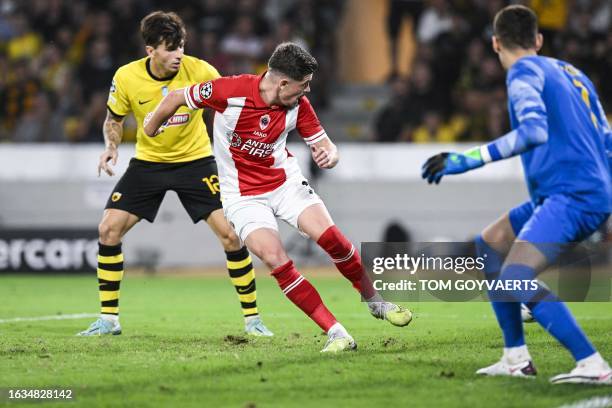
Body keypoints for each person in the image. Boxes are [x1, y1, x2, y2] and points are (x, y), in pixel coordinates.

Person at [144, 42, 413, 353]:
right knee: (275, 259)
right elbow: (178, 96)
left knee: (334, 240)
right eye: (304, 85)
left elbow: (326, 144)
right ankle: (337, 332)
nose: (307, 92)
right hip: (242, 197)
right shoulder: (229, 90)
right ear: (283, 82)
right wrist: (150, 128)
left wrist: (330, 155)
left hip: (285, 185)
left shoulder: (298, 105)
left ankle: (375, 302)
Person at [421, 5, 612, 384]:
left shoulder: (523, 72)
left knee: (515, 276)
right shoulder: (572, 73)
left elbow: (533, 132)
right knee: (490, 243)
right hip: (575, 193)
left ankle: (592, 364)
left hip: (571, 195)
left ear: (495, 43)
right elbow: (606, 138)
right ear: (538, 40)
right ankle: (516, 359)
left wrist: (468, 159)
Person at [78, 11, 272, 337]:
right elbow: (114, 118)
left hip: (196, 161)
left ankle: (253, 320)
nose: (178, 54)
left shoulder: (200, 71)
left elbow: (232, 106)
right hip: (148, 163)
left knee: (231, 234)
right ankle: (108, 320)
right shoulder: (126, 77)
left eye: (180, 45)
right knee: (108, 229)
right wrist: (111, 146)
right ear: (150, 51)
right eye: (169, 48)